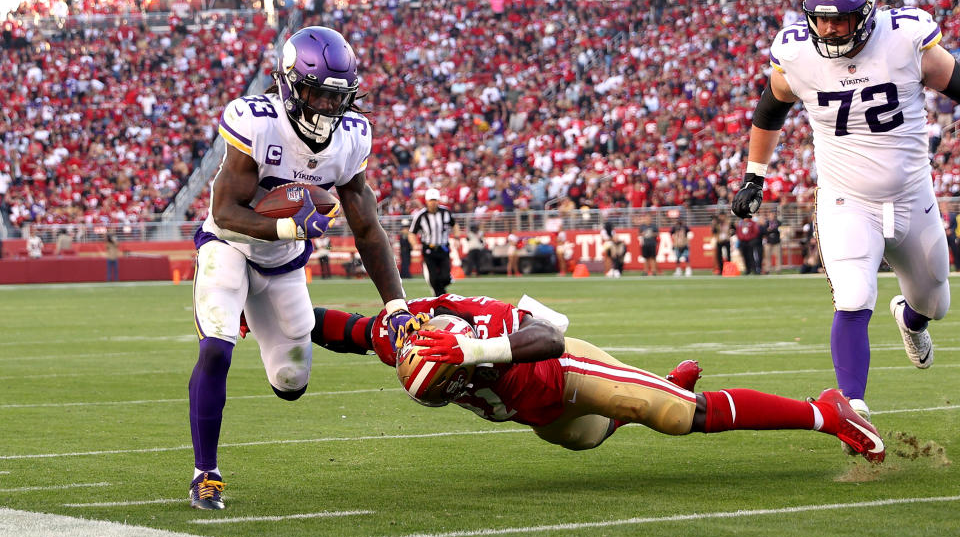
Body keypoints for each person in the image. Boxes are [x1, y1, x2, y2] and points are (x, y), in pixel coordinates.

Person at [187, 26, 422, 510]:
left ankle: (270, 314)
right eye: (316, 93)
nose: (327, 108)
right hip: (228, 245)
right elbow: (227, 210)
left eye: (337, 98)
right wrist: (289, 227)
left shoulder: (351, 138)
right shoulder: (257, 120)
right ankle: (205, 473)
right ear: (291, 86)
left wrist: (397, 304)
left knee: (290, 385)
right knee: (217, 349)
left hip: (283, 264)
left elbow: (368, 228)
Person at [731, 0, 953, 427]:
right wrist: (754, 177)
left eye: (840, 18)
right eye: (821, 17)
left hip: (913, 194)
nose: (829, 29)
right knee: (853, 295)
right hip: (846, 198)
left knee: (935, 301)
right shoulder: (796, 54)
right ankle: (851, 408)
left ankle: (911, 321)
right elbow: (770, 110)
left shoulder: (905, 40)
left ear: (867, 14)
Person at [310, 294, 885, 464]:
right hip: (538, 414)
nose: (452, 393)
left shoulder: (479, 324)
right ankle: (657, 385)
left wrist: (476, 351)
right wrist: (262, 315)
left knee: (677, 417)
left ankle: (824, 411)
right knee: (588, 438)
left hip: (561, 373)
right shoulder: (404, 338)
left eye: (450, 383)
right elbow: (343, 328)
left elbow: (548, 338)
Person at [408, 188, 459, 294]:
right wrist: (414, 244)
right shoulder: (421, 215)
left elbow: (454, 225)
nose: (433, 202)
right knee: (434, 279)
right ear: (426, 201)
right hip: (429, 249)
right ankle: (441, 298)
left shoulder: (445, 212)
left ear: (438, 200)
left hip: (443, 247)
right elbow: (412, 232)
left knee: (445, 277)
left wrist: (457, 238)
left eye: (435, 200)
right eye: (431, 200)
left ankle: (441, 295)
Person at [762, 209, 783, 274]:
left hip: (776, 241)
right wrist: (770, 230)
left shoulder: (778, 222)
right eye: (770, 214)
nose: (772, 216)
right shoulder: (766, 223)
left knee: (778, 256)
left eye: (773, 214)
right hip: (768, 242)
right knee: (767, 257)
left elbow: (779, 230)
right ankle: (767, 269)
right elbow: (765, 231)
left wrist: (771, 230)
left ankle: (778, 269)